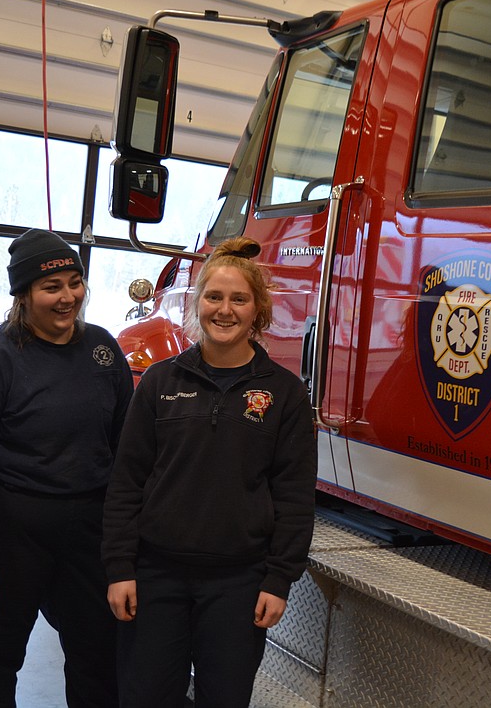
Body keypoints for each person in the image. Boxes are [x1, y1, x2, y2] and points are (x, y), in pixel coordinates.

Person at [102, 236, 317, 708]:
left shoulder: (283, 395)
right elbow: (126, 484)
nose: (225, 310)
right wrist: (120, 568)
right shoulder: (160, 382)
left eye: (239, 299)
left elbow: (295, 497)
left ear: (257, 310)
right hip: (156, 577)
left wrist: (278, 580)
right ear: (197, 303)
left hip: (239, 584)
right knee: (146, 697)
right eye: (214, 297)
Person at [0, 228, 134, 708]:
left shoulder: (102, 352)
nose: (68, 298)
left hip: (88, 540)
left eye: (74, 282)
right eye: (51, 287)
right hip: (7, 542)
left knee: (98, 664)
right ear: (22, 295)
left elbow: (126, 452)